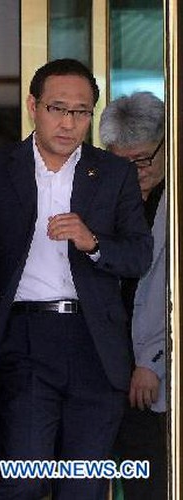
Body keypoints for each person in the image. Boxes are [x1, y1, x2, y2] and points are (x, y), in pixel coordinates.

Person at [0, 58, 153, 499]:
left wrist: (93, 241)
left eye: (81, 112)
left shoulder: (114, 173)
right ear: (33, 106)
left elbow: (139, 254)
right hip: (24, 338)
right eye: (57, 108)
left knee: (83, 486)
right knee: (23, 479)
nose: (68, 122)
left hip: (94, 343)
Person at [100, 91, 167, 499]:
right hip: (112, 371)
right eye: (121, 162)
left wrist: (151, 360)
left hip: (155, 372)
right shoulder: (107, 200)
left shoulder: (171, 203)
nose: (134, 171)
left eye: (142, 159)